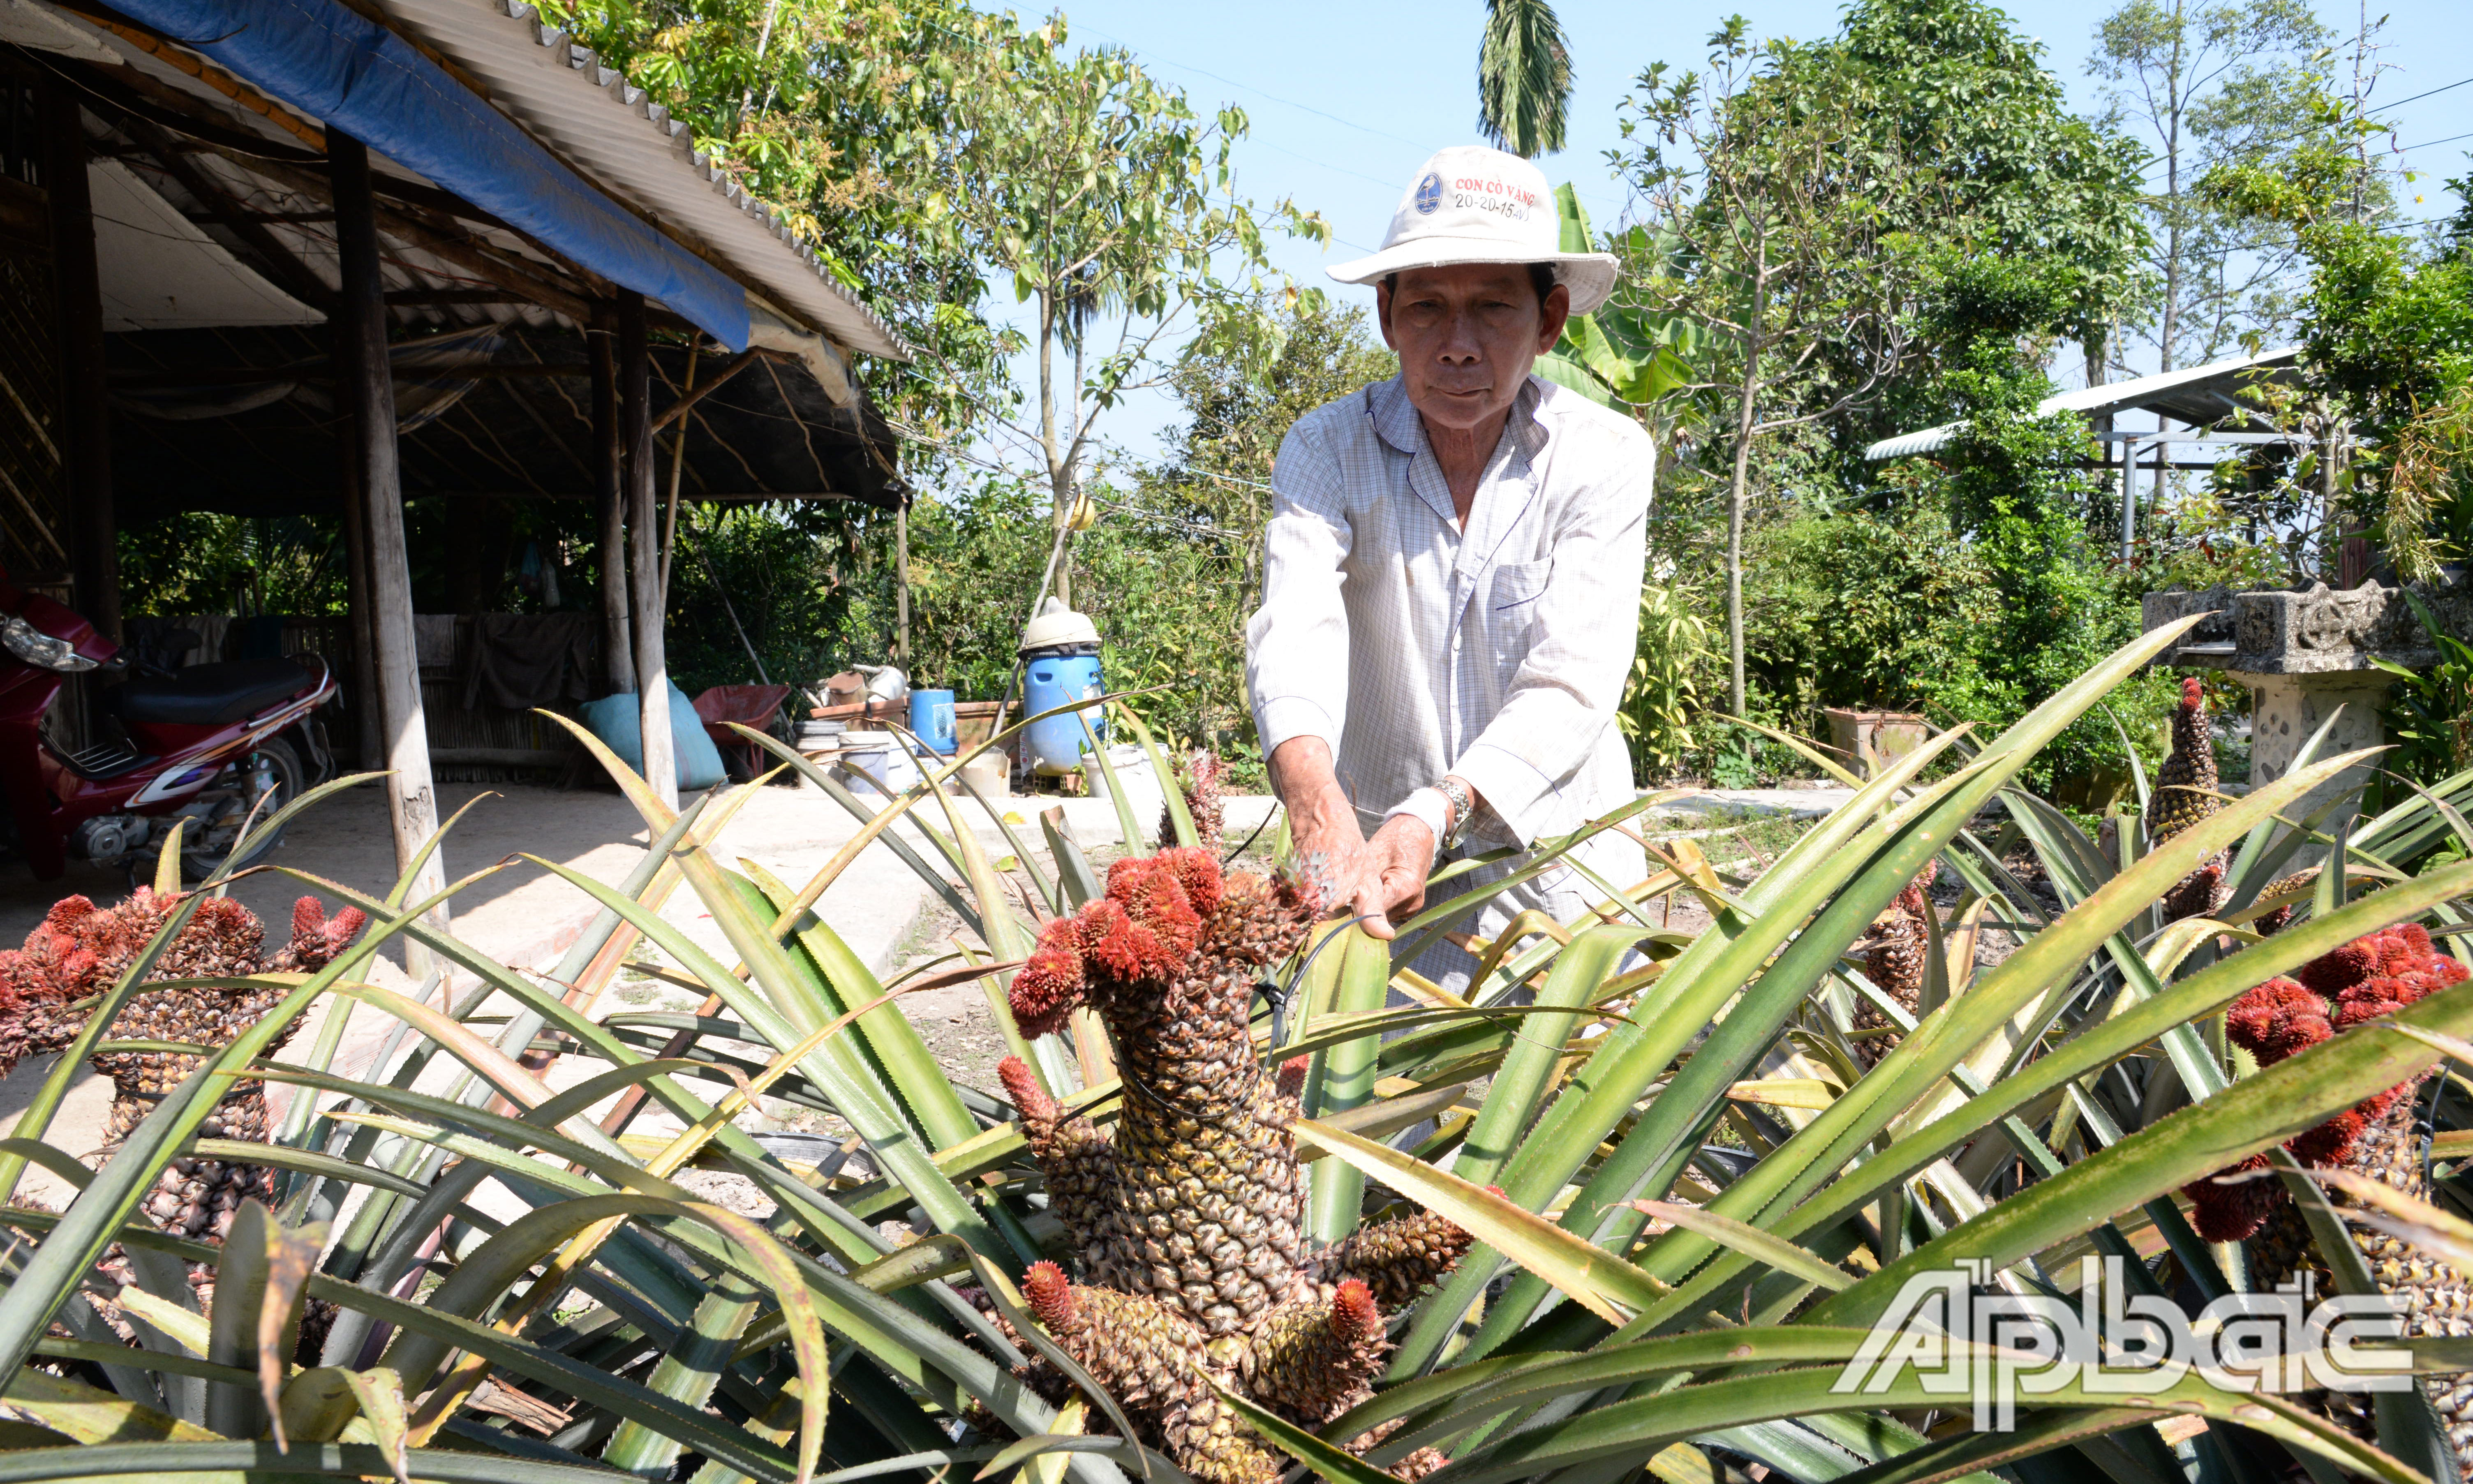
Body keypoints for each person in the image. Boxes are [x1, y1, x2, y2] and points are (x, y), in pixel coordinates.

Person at [1244, 145, 1654, 996]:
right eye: (1427, 307)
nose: (1458, 346)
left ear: (1547, 322)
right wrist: (1313, 796)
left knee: (1565, 1112)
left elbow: (1572, 683)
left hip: (1561, 881)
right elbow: (1295, 627)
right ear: (1386, 316)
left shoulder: (1603, 456)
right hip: (1377, 884)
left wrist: (1439, 807)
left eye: (1493, 310)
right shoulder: (1326, 448)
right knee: (1372, 1114)